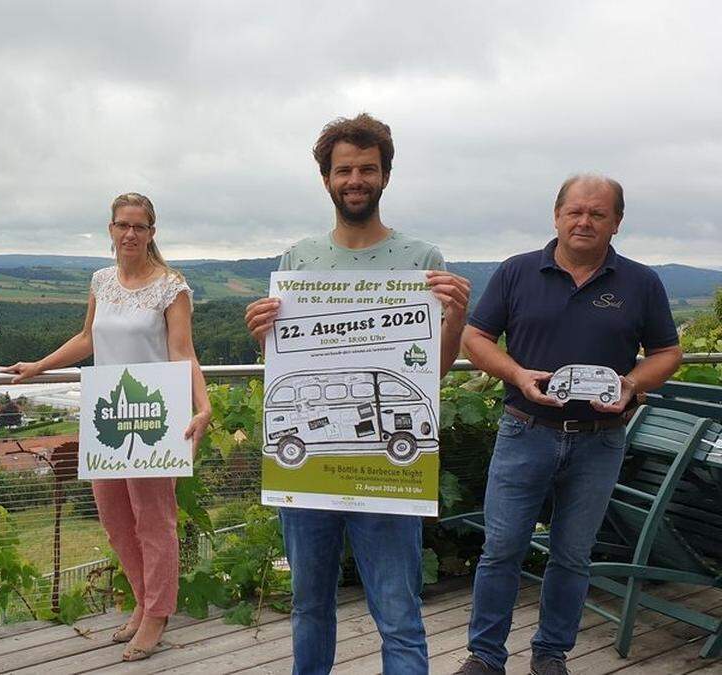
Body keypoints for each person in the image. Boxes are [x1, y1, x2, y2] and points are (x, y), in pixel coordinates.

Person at [244, 113, 471, 674]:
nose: (355, 179)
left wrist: (457, 317)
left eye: (367, 168)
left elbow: (431, 375)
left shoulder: (423, 261)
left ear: (385, 176)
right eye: (343, 169)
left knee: (398, 613)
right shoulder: (297, 261)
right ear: (326, 179)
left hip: (388, 476)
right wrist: (262, 331)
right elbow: (285, 364)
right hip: (309, 476)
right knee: (309, 606)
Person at [455, 175, 683, 675]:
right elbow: (476, 337)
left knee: (573, 556)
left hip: (600, 442)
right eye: (575, 211)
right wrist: (516, 373)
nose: (585, 221)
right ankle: (486, 657)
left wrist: (630, 384)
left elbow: (668, 351)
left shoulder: (641, 282)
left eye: (598, 214)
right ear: (556, 215)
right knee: (502, 549)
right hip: (524, 430)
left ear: (616, 223)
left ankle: (551, 654)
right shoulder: (517, 271)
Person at [3, 192, 211, 662]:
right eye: (122, 225)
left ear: (152, 232)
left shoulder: (171, 287)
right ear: (111, 230)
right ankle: (142, 601)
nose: (130, 234)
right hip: (109, 416)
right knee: (116, 519)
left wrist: (203, 405)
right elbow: (85, 338)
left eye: (139, 226)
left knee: (154, 519)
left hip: (157, 415)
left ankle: (157, 613)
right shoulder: (101, 280)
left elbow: (183, 351)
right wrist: (38, 366)